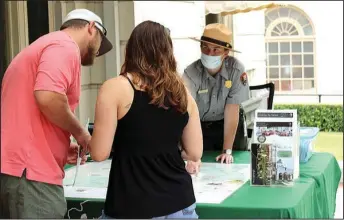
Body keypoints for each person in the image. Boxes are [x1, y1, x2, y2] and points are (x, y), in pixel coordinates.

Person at [0, 9, 113, 219]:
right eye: (100, 42)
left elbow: (31, 111)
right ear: (91, 28)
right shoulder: (65, 46)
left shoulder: (40, 47)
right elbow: (48, 96)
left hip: (16, 170)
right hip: (33, 176)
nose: (98, 52)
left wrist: (60, 147)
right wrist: (80, 132)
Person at [87, 20, 203, 219]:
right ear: (168, 51)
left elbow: (99, 153)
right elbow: (194, 152)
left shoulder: (115, 88)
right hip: (179, 203)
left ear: (131, 49)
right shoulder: (182, 93)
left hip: (131, 205)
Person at [182, 23, 250, 165]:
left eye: (216, 49)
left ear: (226, 52)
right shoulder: (190, 72)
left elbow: (232, 111)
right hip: (200, 127)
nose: (209, 53)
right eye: (205, 47)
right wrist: (190, 151)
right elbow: (187, 112)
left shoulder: (236, 70)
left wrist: (227, 151)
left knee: (233, 167)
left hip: (229, 128)